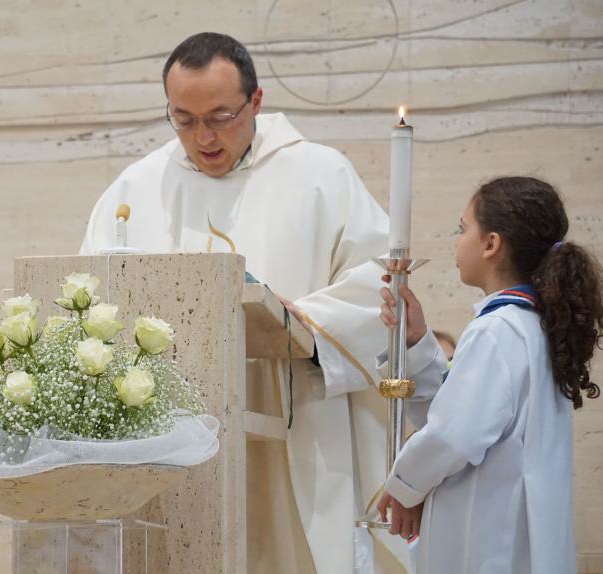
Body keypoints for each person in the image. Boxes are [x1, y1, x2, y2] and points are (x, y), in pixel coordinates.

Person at [81, 32, 405, 572]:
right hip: (166, 436)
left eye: (220, 116)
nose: (202, 137)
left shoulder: (321, 176)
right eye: (183, 119)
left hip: (292, 424)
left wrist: (299, 321)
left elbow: (380, 285)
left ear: (256, 102)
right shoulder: (134, 188)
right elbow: (90, 296)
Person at [375, 177, 602, 573]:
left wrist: (404, 486)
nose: (456, 241)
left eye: (463, 229)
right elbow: (459, 416)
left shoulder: (498, 330)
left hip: (489, 547)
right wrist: (417, 342)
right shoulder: (530, 326)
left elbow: (453, 436)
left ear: (491, 244)